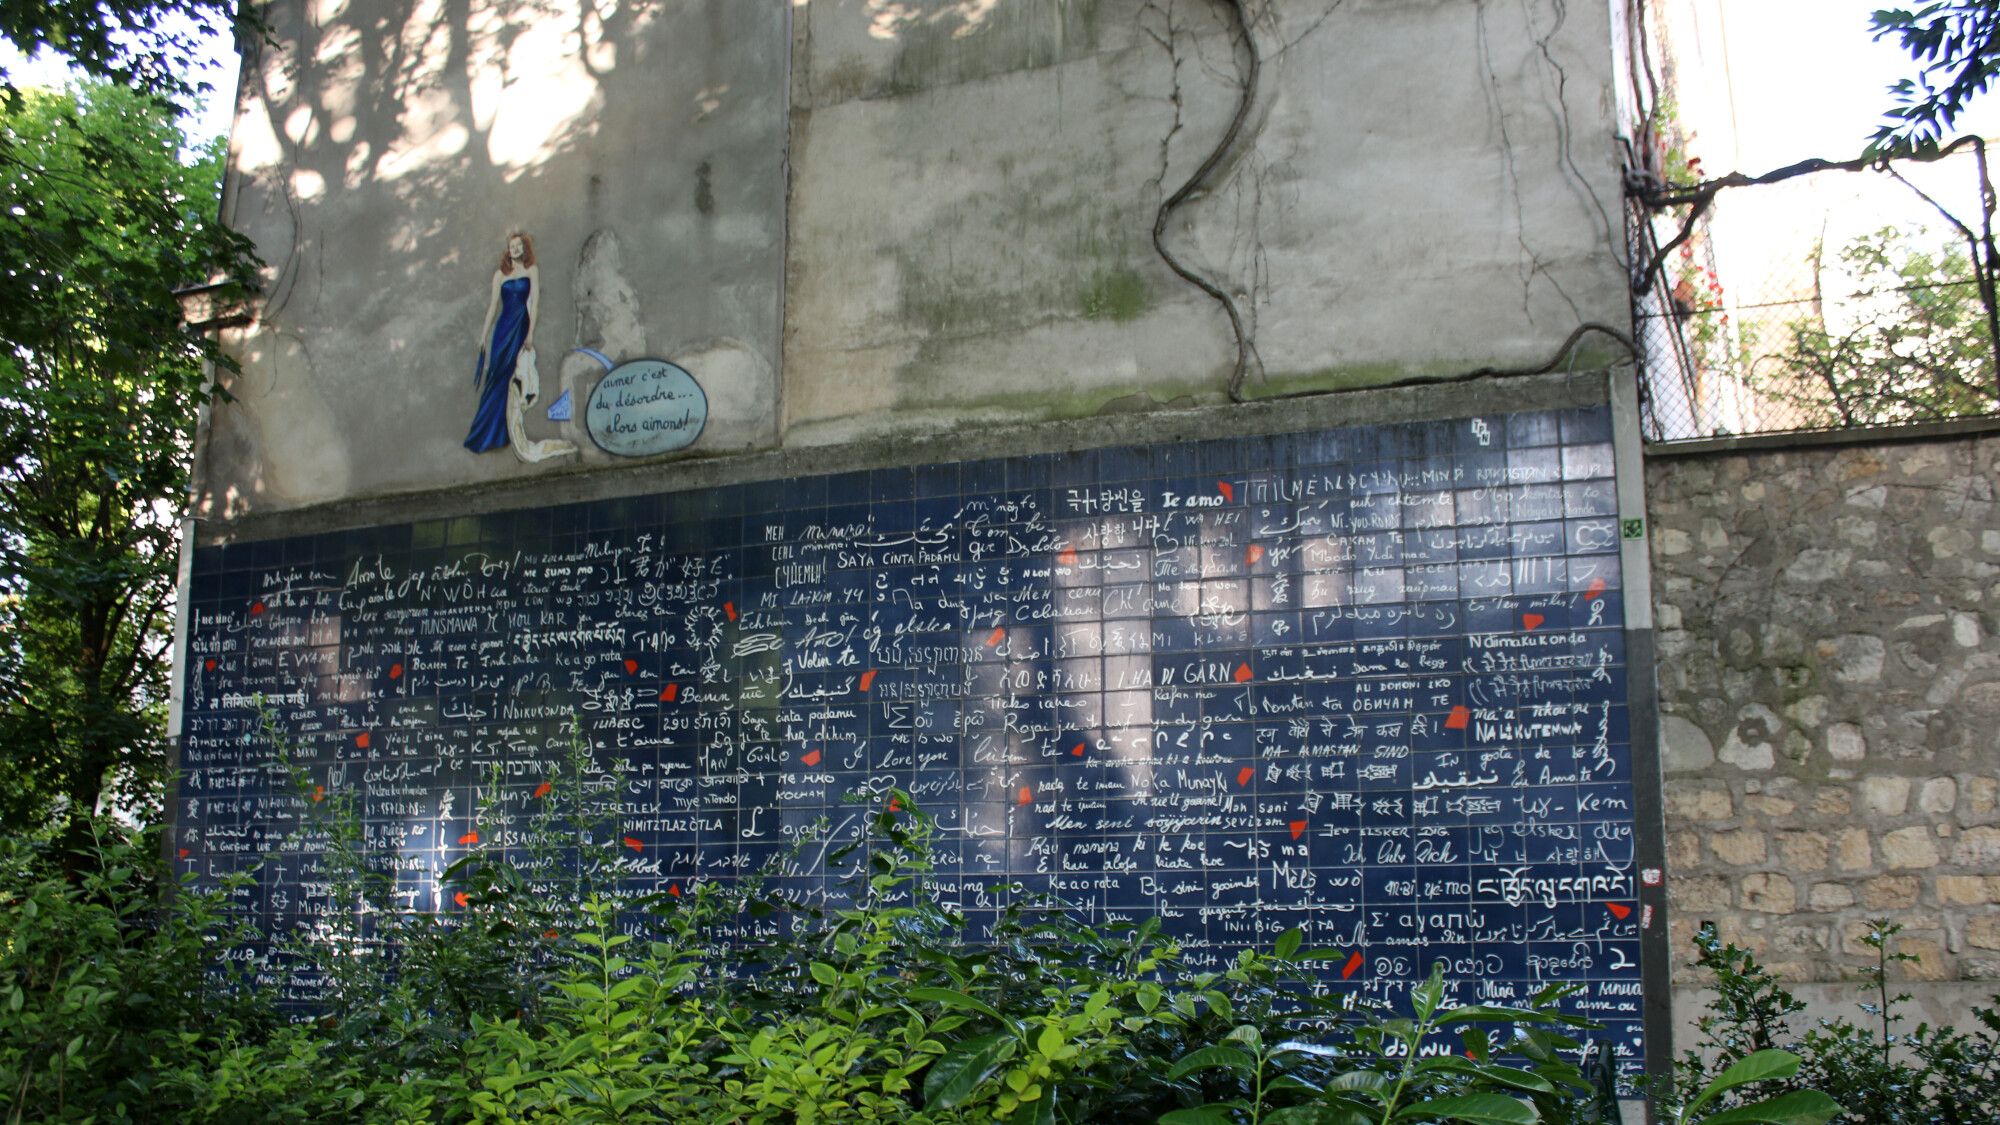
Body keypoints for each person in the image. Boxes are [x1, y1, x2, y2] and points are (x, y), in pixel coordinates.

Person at [465, 232, 539, 453]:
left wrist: (531, 333)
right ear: (508, 250)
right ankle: (485, 433)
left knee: (512, 378)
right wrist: (484, 335)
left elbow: (534, 303)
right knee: (496, 375)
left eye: (518, 246)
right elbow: (492, 306)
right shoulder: (500, 275)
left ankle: (506, 431)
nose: (515, 249)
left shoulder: (531, 270)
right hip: (503, 329)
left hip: (521, 327)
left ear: (524, 248)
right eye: (511, 246)